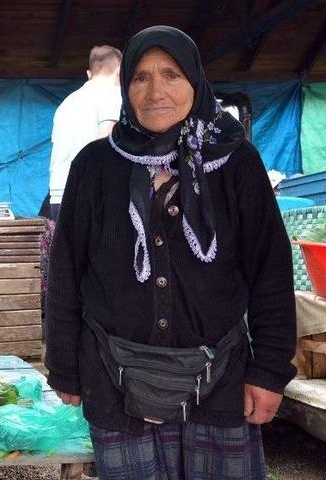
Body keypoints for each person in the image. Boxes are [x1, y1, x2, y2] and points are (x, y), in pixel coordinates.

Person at [44, 26, 296, 479]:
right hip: (113, 375)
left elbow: (270, 274)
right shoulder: (94, 166)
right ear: (125, 87)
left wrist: (269, 371)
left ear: (196, 82)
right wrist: (64, 367)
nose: (155, 91)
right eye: (140, 77)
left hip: (220, 381)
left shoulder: (236, 163)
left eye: (171, 74)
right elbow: (64, 274)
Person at [40, 45, 122, 221]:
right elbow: (105, 143)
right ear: (119, 71)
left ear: (89, 73)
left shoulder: (68, 103)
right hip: (90, 196)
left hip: (58, 195)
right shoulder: (113, 94)